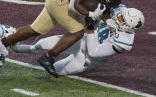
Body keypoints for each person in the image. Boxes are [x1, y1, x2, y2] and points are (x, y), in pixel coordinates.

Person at [1, 0, 127, 76]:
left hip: (60, 1)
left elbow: (104, 12)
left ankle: (2, 43)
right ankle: (48, 57)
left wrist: (112, 24)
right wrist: (91, 15)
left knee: (36, 30)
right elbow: (74, 5)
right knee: (77, 31)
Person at [11, 7, 144, 77]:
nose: (118, 17)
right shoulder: (119, 11)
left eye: (121, 19)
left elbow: (93, 52)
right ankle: (18, 48)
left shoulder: (124, 42)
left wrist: (91, 27)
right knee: (42, 44)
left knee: (55, 71)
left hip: (87, 60)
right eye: (120, 15)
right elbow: (103, 6)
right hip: (82, 41)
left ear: (128, 27)